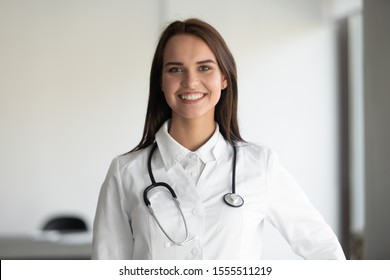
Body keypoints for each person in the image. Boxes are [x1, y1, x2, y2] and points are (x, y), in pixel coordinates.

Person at [92, 18, 345, 260]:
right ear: (161, 81)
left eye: (204, 67)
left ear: (224, 77)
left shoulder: (259, 165)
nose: (190, 81)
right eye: (175, 69)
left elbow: (323, 249)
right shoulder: (125, 172)